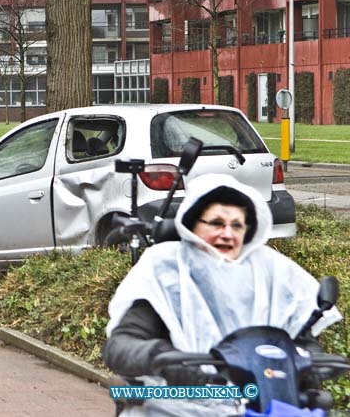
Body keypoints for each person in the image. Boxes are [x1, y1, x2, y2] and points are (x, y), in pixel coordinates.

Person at [103, 173, 341, 416]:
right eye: (216, 223)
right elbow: (121, 344)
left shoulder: (274, 271)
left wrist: (311, 363)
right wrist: (163, 358)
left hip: (264, 399)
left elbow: (301, 339)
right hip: (181, 399)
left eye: (237, 225)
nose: (228, 233)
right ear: (193, 225)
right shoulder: (167, 269)